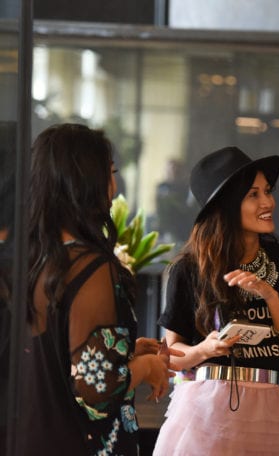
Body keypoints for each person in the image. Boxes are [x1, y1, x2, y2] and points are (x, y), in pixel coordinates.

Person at [17, 123, 178, 455]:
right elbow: (95, 391)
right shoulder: (91, 268)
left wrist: (126, 352)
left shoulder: (32, 260)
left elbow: (58, 362)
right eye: (110, 172)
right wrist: (146, 367)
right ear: (86, 183)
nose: (115, 186)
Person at [153, 146, 279, 455]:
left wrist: (270, 295)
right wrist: (205, 349)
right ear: (226, 205)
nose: (268, 202)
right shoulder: (189, 269)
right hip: (204, 407)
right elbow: (170, 357)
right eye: (253, 195)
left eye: (267, 191)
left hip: (267, 409)